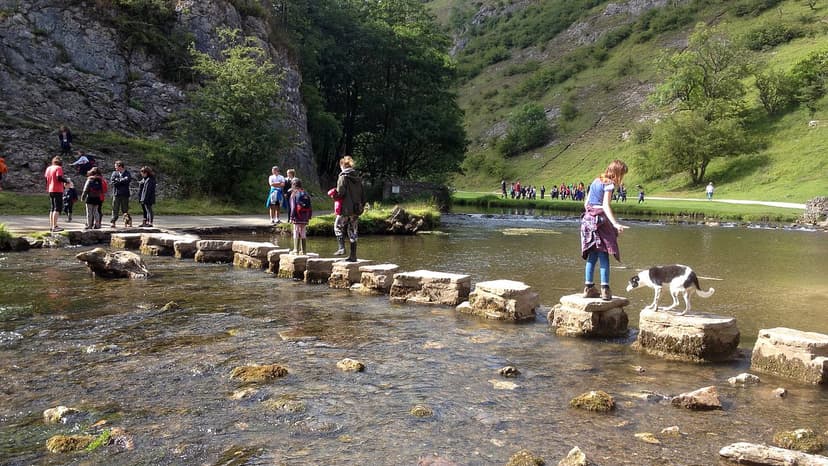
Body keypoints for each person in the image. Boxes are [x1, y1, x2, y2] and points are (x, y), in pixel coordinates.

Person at [581, 160, 629, 301]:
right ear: (617, 173)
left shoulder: (596, 180)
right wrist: (615, 224)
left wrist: (591, 215)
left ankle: (588, 288)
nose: (622, 178)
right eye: (622, 174)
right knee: (604, 254)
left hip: (588, 221)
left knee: (592, 255)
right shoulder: (609, 184)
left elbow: (586, 203)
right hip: (600, 222)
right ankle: (605, 290)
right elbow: (606, 206)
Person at [335, 155, 366, 262]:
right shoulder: (358, 178)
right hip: (356, 209)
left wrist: (334, 195)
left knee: (337, 226)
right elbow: (363, 195)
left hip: (346, 209)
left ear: (342, 165)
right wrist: (361, 205)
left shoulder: (343, 177)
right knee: (353, 231)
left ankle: (341, 248)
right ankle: (353, 256)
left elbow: (341, 192)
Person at [44, 155, 68, 232]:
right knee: (57, 208)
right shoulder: (58, 168)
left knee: (52, 208)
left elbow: (46, 179)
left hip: (50, 189)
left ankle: (52, 226)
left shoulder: (48, 168)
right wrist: (66, 181)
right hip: (57, 190)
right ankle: (55, 227)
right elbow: (59, 178)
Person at [289, 178, 313, 254]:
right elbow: (310, 206)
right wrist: (309, 216)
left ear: (293, 185)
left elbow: (293, 207)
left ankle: (296, 250)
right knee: (303, 231)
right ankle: (304, 251)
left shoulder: (294, 194)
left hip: (297, 216)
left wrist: (291, 217)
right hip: (305, 216)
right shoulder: (305, 193)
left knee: (296, 231)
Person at [109, 160, 132, 228]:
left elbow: (127, 181)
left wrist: (118, 180)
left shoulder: (127, 173)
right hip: (116, 194)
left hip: (125, 194)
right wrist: (122, 180)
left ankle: (128, 221)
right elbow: (112, 182)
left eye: (116, 166)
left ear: (120, 166)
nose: (115, 168)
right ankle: (113, 222)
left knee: (125, 209)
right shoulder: (114, 173)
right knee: (115, 209)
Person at [328, 187, 345, 255]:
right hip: (342, 215)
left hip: (341, 215)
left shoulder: (339, 200)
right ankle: (341, 248)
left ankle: (341, 249)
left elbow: (338, 210)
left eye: (332, 195)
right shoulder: (339, 199)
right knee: (340, 230)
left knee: (337, 229)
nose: (331, 197)